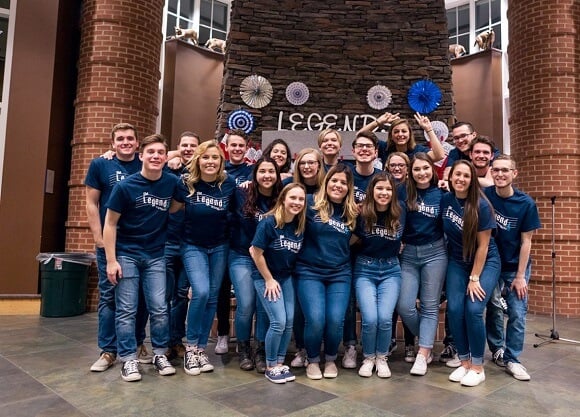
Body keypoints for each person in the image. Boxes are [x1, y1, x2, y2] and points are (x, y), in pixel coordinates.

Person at [103, 134, 179, 382]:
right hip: (127, 255)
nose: (155, 156)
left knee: (159, 308)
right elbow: (110, 224)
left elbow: (178, 205)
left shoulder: (171, 183)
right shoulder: (125, 186)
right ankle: (128, 359)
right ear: (141, 156)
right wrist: (111, 260)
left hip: (156, 255)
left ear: (166, 157)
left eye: (160, 153)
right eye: (151, 152)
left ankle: (159, 354)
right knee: (126, 310)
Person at [85, 122, 151, 372]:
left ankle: (136, 344)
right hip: (110, 243)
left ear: (137, 143)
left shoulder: (145, 162)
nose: (125, 142)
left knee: (141, 297)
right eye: (120, 139)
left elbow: (171, 153)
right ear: (112, 144)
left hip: (139, 243)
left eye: (130, 138)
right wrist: (98, 237)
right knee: (110, 296)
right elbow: (92, 203)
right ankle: (108, 350)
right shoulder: (101, 164)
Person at [173, 141, 237, 376]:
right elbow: (172, 211)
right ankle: (190, 346)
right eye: (206, 157)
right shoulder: (185, 183)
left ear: (221, 162)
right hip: (192, 246)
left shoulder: (228, 184)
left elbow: (239, 212)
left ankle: (201, 349)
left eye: (215, 158)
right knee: (199, 292)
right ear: (198, 160)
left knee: (211, 296)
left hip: (220, 246)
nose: (210, 161)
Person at [295, 164, 358, 380]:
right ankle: (312, 360)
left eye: (343, 183)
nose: (338, 185)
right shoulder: (310, 203)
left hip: (340, 274)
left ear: (349, 188)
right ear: (326, 181)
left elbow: (360, 236)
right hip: (309, 271)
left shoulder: (351, 211)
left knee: (335, 319)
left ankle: (330, 359)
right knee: (314, 319)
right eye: (334, 180)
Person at [442, 160, 500, 387]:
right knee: (455, 309)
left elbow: (483, 246)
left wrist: (475, 278)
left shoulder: (481, 206)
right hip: (458, 260)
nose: (461, 179)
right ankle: (464, 362)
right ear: (451, 176)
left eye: (466, 176)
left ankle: (477, 367)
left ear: (472, 179)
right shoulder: (446, 199)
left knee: (473, 309)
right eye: (457, 175)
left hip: (484, 262)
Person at [484, 155, 541, 381]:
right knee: (494, 307)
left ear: (514, 174)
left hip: (516, 265)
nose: (500, 174)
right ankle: (497, 349)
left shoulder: (525, 203)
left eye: (505, 170)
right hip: (492, 263)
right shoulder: (486, 196)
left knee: (517, 312)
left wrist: (520, 276)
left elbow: (527, 241)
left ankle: (513, 359)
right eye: (496, 170)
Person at [250, 183, 307, 383]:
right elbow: (255, 252)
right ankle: (270, 364)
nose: (297, 202)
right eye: (293, 198)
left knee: (289, 321)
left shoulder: (299, 225)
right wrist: (268, 279)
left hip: (286, 277)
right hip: (266, 278)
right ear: (283, 199)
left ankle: (280, 363)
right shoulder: (269, 222)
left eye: (301, 199)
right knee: (278, 321)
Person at [229, 158, 283, 372]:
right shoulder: (241, 193)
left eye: (272, 171)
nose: (267, 175)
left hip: (268, 259)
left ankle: (260, 350)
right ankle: (243, 348)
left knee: (263, 306)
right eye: (262, 171)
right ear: (255, 174)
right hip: (241, 255)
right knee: (246, 304)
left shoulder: (281, 197)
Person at [396, 153, 448, 376]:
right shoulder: (402, 191)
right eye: (417, 169)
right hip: (408, 254)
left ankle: (422, 352)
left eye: (426, 168)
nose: (422, 173)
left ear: (432, 169)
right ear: (410, 171)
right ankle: (427, 342)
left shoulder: (442, 194)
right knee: (405, 305)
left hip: (435, 253)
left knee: (429, 305)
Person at [351, 173, 405, 378]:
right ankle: (368, 357)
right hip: (365, 268)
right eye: (379, 188)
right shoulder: (361, 213)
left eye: (388, 189)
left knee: (384, 318)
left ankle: (381, 357)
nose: (384, 192)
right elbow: (351, 240)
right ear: (371, 190)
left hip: (391, 270)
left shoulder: (400, 212)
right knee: (370, 318)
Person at [342, 131, 382, 370]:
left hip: (373, 249)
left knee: (372, 305)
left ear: (376, 152)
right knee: (348, 301)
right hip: (347, 246)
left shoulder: (382, 178)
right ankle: (349, 345)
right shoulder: (345, 176)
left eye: (370, 147)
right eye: (360, 146)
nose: (365, 150)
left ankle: (378, 349)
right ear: (354, 150)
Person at [215, 129, 255, 355]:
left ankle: (247, 339)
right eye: (234, 145)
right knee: (222, 289)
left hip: (244, 240)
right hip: (222, 238)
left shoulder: (252, 172)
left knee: (246, 295)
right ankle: (222, 334)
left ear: (246, 147)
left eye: (241, 145)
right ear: (226, 148)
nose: (237, 149)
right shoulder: (219, 171)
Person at [286, 148, 325, 368]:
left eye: (312, 163)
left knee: (317, 313)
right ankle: (302, 349)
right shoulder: (288, 187)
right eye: (303, 163)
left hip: (318, 257)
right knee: (299, 309)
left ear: (320, 166)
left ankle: (318, 351)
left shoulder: (327, 190)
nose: (307, 167)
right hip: (291, 255)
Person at [165, 132, 199, 359]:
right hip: (167, 241)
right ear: (178, 147)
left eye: (192, 146)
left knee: (180, 294)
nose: (188, 149)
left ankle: (176, 341)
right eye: (183, 145)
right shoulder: (168, 168)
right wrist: (172, 155)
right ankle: (162, 342)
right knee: (163, 295)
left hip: (190, 243)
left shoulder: (202, 172)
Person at [359, 112, 446, 164]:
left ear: (410, 134)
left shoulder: (418, 151)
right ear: (391, 135)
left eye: (404, 131)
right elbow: (361, 136)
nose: (400, 134)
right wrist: (378, 122)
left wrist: (429, 129)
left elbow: (440, 155)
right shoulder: (385, 148)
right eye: (396, 131)